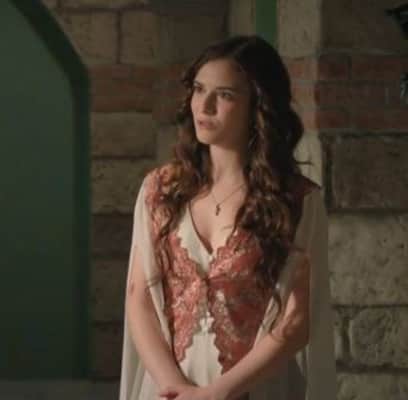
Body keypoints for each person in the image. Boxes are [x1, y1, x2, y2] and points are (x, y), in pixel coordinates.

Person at [119, 35, 336, 400]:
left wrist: (218, 393)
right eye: (199, 89)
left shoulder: (295, 200)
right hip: (169, 390)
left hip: (257, 390)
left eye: (225, 95)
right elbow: (138, 296)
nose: (204, 106)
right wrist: (175, 388)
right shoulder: (161, 190)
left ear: (258, 106)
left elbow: (296, 321)